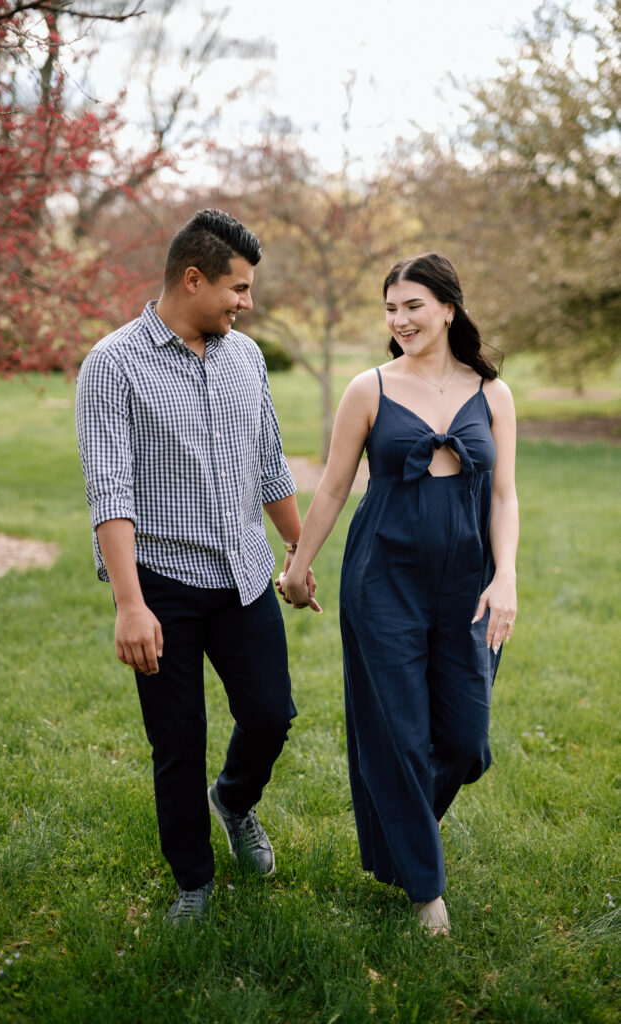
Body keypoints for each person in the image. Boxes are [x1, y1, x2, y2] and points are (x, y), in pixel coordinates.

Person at [76, 209, 320, 924]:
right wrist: (130, 604)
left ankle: (235, 801)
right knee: (177, 742)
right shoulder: (113, 364)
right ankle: (194, 880)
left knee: (271, 716)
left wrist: (298, 555)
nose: (247, 302)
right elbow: (110, 490)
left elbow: (269, 462)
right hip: (162, 587)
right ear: (193, 278)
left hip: (243, 577)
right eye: (238, 288)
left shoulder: (244, 358)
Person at [278, 252, 518, 936]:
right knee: (402, 736)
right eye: (390, 308)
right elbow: (331, 488)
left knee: (467, 741)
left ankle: (394, 838)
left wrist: (506, 577)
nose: (400, 319)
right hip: (383, 577)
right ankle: (425, 888)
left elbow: (504, 496)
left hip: (467, 583)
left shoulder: (491, 393)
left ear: (448, 308)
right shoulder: (369, 389)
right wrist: (298, 565)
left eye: (412, 305)